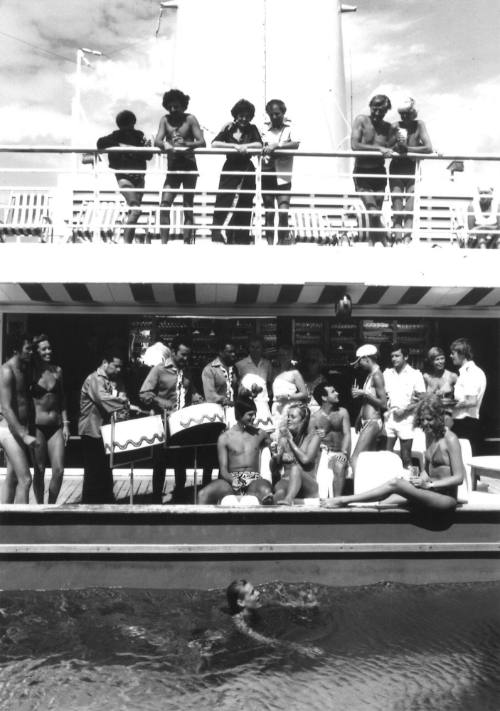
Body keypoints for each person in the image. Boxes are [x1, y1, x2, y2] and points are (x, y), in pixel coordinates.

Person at [321, 395, 465, 512]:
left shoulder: (450, 439)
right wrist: (417, 480)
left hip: (445, 499)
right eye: (422, 420)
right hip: (429, 492)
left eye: (430, 419)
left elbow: (459, 478)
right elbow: (427, 472)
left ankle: (343, 499)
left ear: (439, 417)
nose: (426, 424)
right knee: (387, 500)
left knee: (396, 484)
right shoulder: (430, 436)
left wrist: (430, 485)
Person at [140, 336, 202, 502]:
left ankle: (179, 495)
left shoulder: (187, 371)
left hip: (182, 425)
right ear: (173, 352)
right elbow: (144, 393)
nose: (186, 358)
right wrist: (161, 402)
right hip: (163, 423)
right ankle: (156, 498)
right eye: (182, 355)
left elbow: (192, 392)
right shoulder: (159, 370)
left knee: (181, 462)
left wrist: (197, 398)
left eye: (188, 355)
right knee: (160, 462)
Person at [198, 397, 273, 505]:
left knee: (266, 492)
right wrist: (233, 480)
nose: (254, 418)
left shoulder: (259, 434)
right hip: (231, 480)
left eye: (254, 414)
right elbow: (223, 470)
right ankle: (201, 521)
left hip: (254, 480)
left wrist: (275, 447)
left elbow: (274, 445)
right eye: (250, 415)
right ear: (239, 415)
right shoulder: (224, 438)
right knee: (203, 494)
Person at [154, 89, 206, 244]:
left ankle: (186, 243)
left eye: (176, 106)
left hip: (189, 166)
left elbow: (202, 142)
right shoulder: (165, 120)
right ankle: (164, 243)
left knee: (187, 205)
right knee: (164, 204)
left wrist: (186, 144)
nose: (172, 110)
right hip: (173, 167)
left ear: (183, 106)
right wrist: (165, 144)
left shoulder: (190, 119)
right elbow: (157, 140)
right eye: (169, 107)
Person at [78, 350, 129, 504]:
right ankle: (89, 505)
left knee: (107, 469)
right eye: (116, 366)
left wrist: (124, 402)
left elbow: (123, 396)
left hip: (105, 431)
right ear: (105, 362)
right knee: (93, 471)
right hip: (91, 430)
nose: (119, 370)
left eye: (121, 367)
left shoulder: (114, 380)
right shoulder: (95, 379)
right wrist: (123, 402)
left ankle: (106, 500)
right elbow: (103, 398)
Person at [97, 110, 153, 243]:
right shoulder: (115, 136)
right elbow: (100, 143)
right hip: (125, 177)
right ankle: (126, 244)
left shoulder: (140, 137)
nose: (128, 129)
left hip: (139, 178)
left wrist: (147, 148)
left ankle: (128, 242)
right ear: (120, 126)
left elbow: (149, 156)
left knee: (133, 213)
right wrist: (125, 146)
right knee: (136, 211)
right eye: (125, 125)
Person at [211, 99, 263, 244]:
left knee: (244, 204)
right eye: (241, 115)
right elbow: (215, 144)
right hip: (230, 170)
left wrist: (245, 146)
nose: (244, 119)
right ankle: (219, 238)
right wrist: (234, 146)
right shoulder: (228, 128)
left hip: (246, 170)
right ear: (235, 115)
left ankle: (241, 241)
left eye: (247, 116)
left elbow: (259, 144)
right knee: (224, 201)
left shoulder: (252, 129)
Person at [351, 94, 397, 246]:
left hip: (379, 173)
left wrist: (399, 141)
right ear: (370, 107)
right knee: (373, 210)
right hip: (362, 172)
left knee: (376, 212)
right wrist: (379, 148)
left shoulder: (388, 128)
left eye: (382, 110)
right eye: (375, 109)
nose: (378, 113)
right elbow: (355, 145)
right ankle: (382, 239)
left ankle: (373, 242)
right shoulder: (361, 120)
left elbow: (391, 148)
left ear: (386, 111)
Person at [30, 334, 70, 504]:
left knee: (59, 470)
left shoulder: (57, 370)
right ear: (36, 351)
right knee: (39, 470)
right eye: (44, 349)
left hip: (56, 427)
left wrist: (66, 423)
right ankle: (39, 506)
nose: (48, 351)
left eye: (49, 348)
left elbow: (62, 398)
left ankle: (51, 505)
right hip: (37, 426)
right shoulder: (30, 373)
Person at [388, 98, 432, 244]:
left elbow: (428, 148)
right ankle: (398, 238)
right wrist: (396, 143)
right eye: (402, 115)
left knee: (410, 206)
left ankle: (406, 239)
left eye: (407, 114)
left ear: (413, 113)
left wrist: (408, 149)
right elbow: (388, 146)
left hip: (412, 169)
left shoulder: (419, 125)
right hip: (397, 169)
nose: (405, 117)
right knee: (397, 205)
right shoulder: (395, 126)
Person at [0, 333, 37, 504]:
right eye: (28, 349)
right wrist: (24, 435)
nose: (31, 352)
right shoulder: (7, 371)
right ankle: (23, 524)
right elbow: (6, 408)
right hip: (9, 430)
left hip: (19, 429)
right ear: (16, 350)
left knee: (12, 477)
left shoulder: (23, 369)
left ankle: (4, 518)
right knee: (26, 480)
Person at [261, 99, 300, 245]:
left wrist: (277, 145)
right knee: (269, 212)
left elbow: (295, 144)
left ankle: (282, 242)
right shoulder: (264, 129)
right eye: (271, 114)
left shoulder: (290, 128)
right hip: (267, 174)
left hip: (284, 176)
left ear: (283, 113)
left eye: (277, 114)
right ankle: (270, 244)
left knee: (283, 212)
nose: (274, 117)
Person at [201, 340, 239, 485]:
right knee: (212, 452)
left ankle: (223, 483)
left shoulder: (233, 369)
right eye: (230, 352)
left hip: (232, 415)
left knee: (229, 451)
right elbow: (210, 395)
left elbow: (236, 389)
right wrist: (227, 401)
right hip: (216, 415)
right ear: (220, 352)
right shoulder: (209, 369)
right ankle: (206, 485)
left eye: (234, 351)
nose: (234, 354)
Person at [383, 343, 426, 471]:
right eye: (392, 356)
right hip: (389, 419)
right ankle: (388, 484)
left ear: (406, 357)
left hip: (407, 420)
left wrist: (405, 410)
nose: (394, 359)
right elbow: (382, 395)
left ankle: (409, 487)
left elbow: (422, 399)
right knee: (387, 456)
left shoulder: (415, 374)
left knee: (406, 457)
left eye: (397, 356)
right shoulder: (387, 373)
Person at [271, 403, 323, 505]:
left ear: (303, 420)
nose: (288, 419)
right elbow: (275, 469)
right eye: (288, 416)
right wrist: (276, 458)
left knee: (296, 468)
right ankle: (274, 500)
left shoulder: (314, 437)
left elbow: (306, 460)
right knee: (280, 493)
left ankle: (289, 499)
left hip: (308, 486)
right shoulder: (282, 439)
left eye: (293, 417)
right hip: (286, 482)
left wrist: (290, 441)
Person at [350, 344, 387, 475]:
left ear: (366, 358)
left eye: (359, 361)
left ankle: (358, 492)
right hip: (367, 421)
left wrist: (364, 393)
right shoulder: (370, 375)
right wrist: (359, 416)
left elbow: (383, 404)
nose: (359, 364)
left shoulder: (377, 375)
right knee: (367, 461)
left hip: (372, 422)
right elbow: (368, 401)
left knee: (355, 458)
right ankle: (367, 492)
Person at [310, 384, 351, 497]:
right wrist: (318, 437)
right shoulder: (315, 418)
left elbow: (347, 434)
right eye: (333, 392)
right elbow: (310, 442)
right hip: (322, 454)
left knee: (339, 464)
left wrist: (344, 452)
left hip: (339, 452)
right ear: (324, 397)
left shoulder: (342, 412)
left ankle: (337, 501)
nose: (337, 393)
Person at [449, 338, 486, 455]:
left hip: (466, 424)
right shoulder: (465, 372)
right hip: (461, 423)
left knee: (465, 462)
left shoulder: (471, 372)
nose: (450, 356)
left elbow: (471, 401)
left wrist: (448, 405)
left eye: (453, 353)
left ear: (462, 354)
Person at [271, 345, 309, 427]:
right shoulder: (275, 371)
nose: (283, 358)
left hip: (288, 407)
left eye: (285, 355)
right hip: (277, 408)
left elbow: (305, 394)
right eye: (281, 355)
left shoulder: (295, 373)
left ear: (290, 356)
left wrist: (288, 396)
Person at [299, 347, 327, 415]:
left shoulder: (323, 381)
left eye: (313, 361)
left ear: (319, 363)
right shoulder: (299, 379)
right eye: (307, 360)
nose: (310, 364)